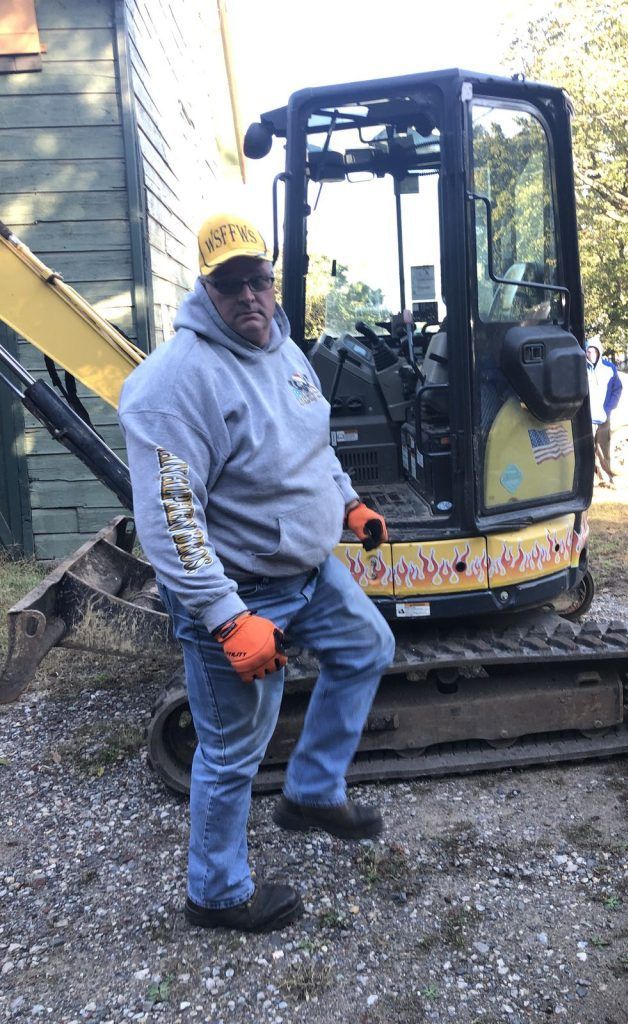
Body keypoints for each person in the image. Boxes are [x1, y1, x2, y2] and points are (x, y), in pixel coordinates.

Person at [118, 212, 396, 934]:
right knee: (233, 749)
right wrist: (226, 618)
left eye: (259, 279)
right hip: (240, 592)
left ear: (273, 283)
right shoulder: (174, 384)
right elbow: (173, 524)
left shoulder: (285, 349)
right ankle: (216, 894)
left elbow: (314, 446)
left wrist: (348, 504)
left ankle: (311, 791)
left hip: (308, 570)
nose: (249, 294)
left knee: (367, 646)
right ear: (205, 289)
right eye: (231, 282)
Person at [585, 336, 622, 485]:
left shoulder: (609, 368)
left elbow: (617, 389)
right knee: (586, 449)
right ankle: (589, 480)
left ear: (599, 352)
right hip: (586, 418)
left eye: (594, 351)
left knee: (603, 448)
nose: (591, 354)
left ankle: (606, 478)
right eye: (588, 351)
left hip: (603, 417)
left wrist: (608, 408)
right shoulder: (580, 367)